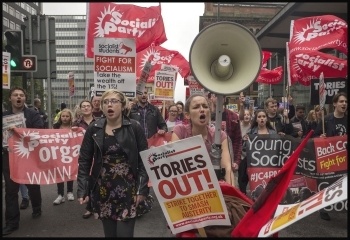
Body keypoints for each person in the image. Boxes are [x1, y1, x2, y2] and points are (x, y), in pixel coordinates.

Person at [77, 89, 149, 237]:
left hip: (128, 190)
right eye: (105, 102)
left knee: (124, 235)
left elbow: (144, 159)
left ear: (122, 106)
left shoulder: (134, 127)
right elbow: (84, 160)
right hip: (103, 191)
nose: (109, 105)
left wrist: (141, 189)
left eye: (114, 101)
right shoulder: (94, 128)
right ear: (102, 107)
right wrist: (83, 188)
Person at [2, 87, 44, 236]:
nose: (19, 97)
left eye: (21, 95)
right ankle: (12, 223)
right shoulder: (4, 116)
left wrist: (21, 132)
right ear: (10, 98)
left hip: (28, 155)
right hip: (9, 156)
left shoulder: (33, 114)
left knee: (32, 184)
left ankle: (37, 206)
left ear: (25, 99)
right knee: (11, 190)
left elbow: (40, 131)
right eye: (15, 95)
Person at [171, 93, 234, 184]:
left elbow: (227, 169)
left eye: (205, 106)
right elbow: (173, 163)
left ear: (209, 111)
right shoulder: (179, 131)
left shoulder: (220, 135)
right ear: (187, 115)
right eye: (196, 107)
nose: (202, 110)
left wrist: (232, 195)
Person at [314, 92, 347, 221]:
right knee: (328, 183)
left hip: (344, 158)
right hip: (329, 157)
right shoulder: (326, 120)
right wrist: (320, 137)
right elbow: (314, 136)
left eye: (345, 102)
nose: (344, 104)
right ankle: (324, 207)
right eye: (341, 101)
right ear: (334, 104)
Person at [209, 92, 242, 180]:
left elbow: (238, 140)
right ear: (211, 98)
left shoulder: (233, 116)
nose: (218, 98)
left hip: (228, 161)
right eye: (215, 95)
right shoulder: (205, 116)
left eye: (222, 96)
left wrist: (236, 161)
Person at [72, 99, 97, 219]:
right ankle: (89, 207)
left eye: (88, 106)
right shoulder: (76, 123)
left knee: (96, 180)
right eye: (84, 106)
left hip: (97, 154)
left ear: (92, 108)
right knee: (86, 179)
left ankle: (95, 205)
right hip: (83, 155)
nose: (86, 108)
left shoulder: (99, 122)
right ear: (80, 109)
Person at [52, 108, 75, 205]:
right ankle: (60, 195)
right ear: (60, 117)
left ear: (70, 118)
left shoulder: (74, 127)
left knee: (70, 171)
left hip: (71, 152)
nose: (65, 118)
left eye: (67, 116)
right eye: (63, 116)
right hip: (59, 153)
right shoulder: (56, 127)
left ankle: (70, 192)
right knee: (59, 173)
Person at [238, 109, 252, 194]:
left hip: (250, 155)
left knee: (247, 176)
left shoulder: (252, 127)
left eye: (248, 114)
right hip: (241, 155)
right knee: (241, 176)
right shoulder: (238, 126)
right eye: (245, 114)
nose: (246, 116)